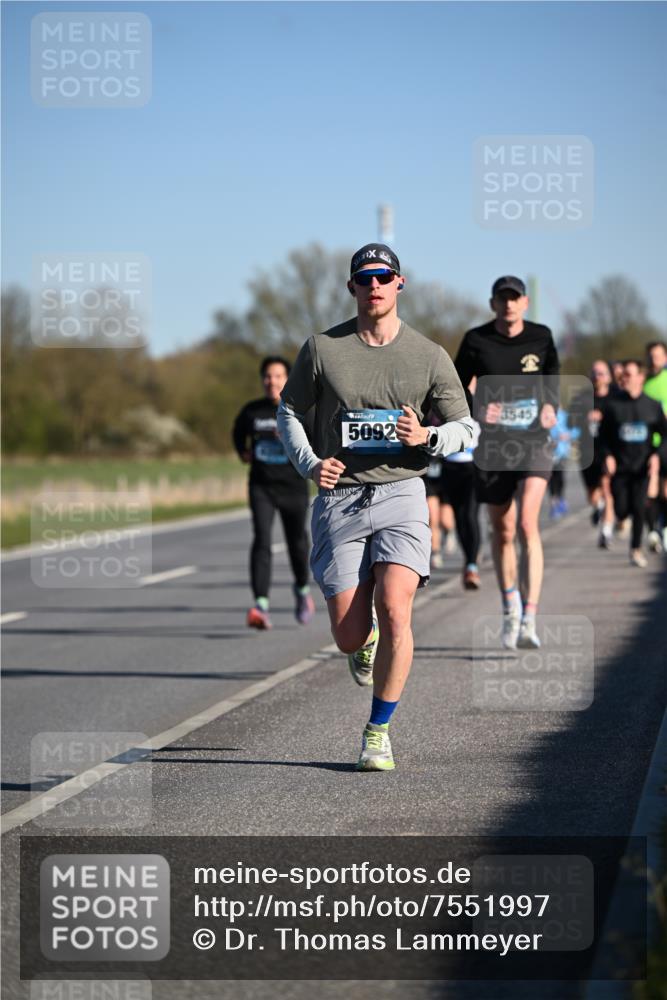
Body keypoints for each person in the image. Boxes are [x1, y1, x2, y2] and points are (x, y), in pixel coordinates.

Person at [277, 243, 473, 771]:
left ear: (399, 283)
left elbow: (467, 425)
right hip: (339, 496)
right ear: (352, 288)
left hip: (403, 492)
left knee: (396, 607)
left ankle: (378, 731)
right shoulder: (322, 348)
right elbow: (289, 410)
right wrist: (309, 463)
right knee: (347, 634)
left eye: (384, 276)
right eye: (365, 278)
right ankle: (362, 645)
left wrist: (429, 435)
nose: (375, 285)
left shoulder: (429, 355)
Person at [455, 276, 559, 650]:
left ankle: (530, 616)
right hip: (494, 446)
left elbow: (552, 379)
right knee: (503, 530)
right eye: (503, 299)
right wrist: (479, 408)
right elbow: (454, 387)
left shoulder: (542, 337)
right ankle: (510, 605)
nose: (509, 304)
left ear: (525, 302)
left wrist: (550, 406)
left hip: (534, 442)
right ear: (493, 303)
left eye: (515, 298)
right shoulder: (476, 340)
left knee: (528, 523)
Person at [232, 356, 315, 630]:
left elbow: (316, 439)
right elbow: (237, 433)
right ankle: (260, 605)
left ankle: (302, 590)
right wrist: (243, 452)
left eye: (278, 376)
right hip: (262, 486)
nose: (272, 381)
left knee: (297, 543)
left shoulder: (298, 410)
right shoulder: (252, 411)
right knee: (262, 540)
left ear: (287, 380)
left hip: (293, 486)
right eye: (268, 376)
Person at [599, 359, 667, 567]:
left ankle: (636, 549)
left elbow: (664, 436)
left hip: (641, 467)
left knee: (639, 507)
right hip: (620, 467)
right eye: (623, 375)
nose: (624, 378)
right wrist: (607, 455)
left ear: (640, 377)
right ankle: (621, 520)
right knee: (621, 509)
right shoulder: (612, 406)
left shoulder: (652, 406)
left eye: (629, 374)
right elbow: (602, 437)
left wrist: (657, 456)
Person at [568, 360, 615, 548]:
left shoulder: (615, 398)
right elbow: (570, 422)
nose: (598, 377)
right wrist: (583, 417)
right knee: (592, 494)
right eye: (595, 373)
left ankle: (606, 532)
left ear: (609, 376)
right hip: (587, 451)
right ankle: (598, 507)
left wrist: (606, 418)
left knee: (606, 488)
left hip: (609, 452)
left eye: (602, 373)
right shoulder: (581, 399)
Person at [440, 418, 482, 588]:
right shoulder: (445, 402)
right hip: (450, 469)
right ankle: (468, 559)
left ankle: (472, 565)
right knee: (459, 519)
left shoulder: (479, 403)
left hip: (473, 468)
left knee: (470, 515)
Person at [643, 341, 667, 551]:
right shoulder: (643, 382)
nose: (654, 360)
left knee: (665, 491)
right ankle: (652, 531)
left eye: (658, 356)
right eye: (651, 356)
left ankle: (664, 527)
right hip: (647, 444)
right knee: (650, 487)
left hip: (666, 441)